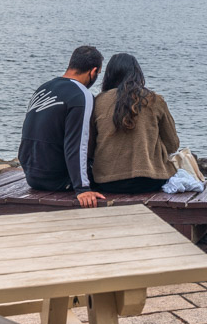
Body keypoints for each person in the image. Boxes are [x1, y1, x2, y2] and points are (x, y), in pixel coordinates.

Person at [19, 45, 105, 208]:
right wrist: (82, 188)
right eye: (98, 74)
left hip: (32, 176)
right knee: (113, 176)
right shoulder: (81, 95)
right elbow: (77, 144)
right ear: (93, 71)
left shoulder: (44, 88)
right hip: (57, 180)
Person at [90, 53, 182, 193]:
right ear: (138, 74)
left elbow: (89, 147)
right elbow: (172, 144)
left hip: (107, 182)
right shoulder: (155, 100)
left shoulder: (98, 101)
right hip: (150, 180)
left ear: (109, 76)